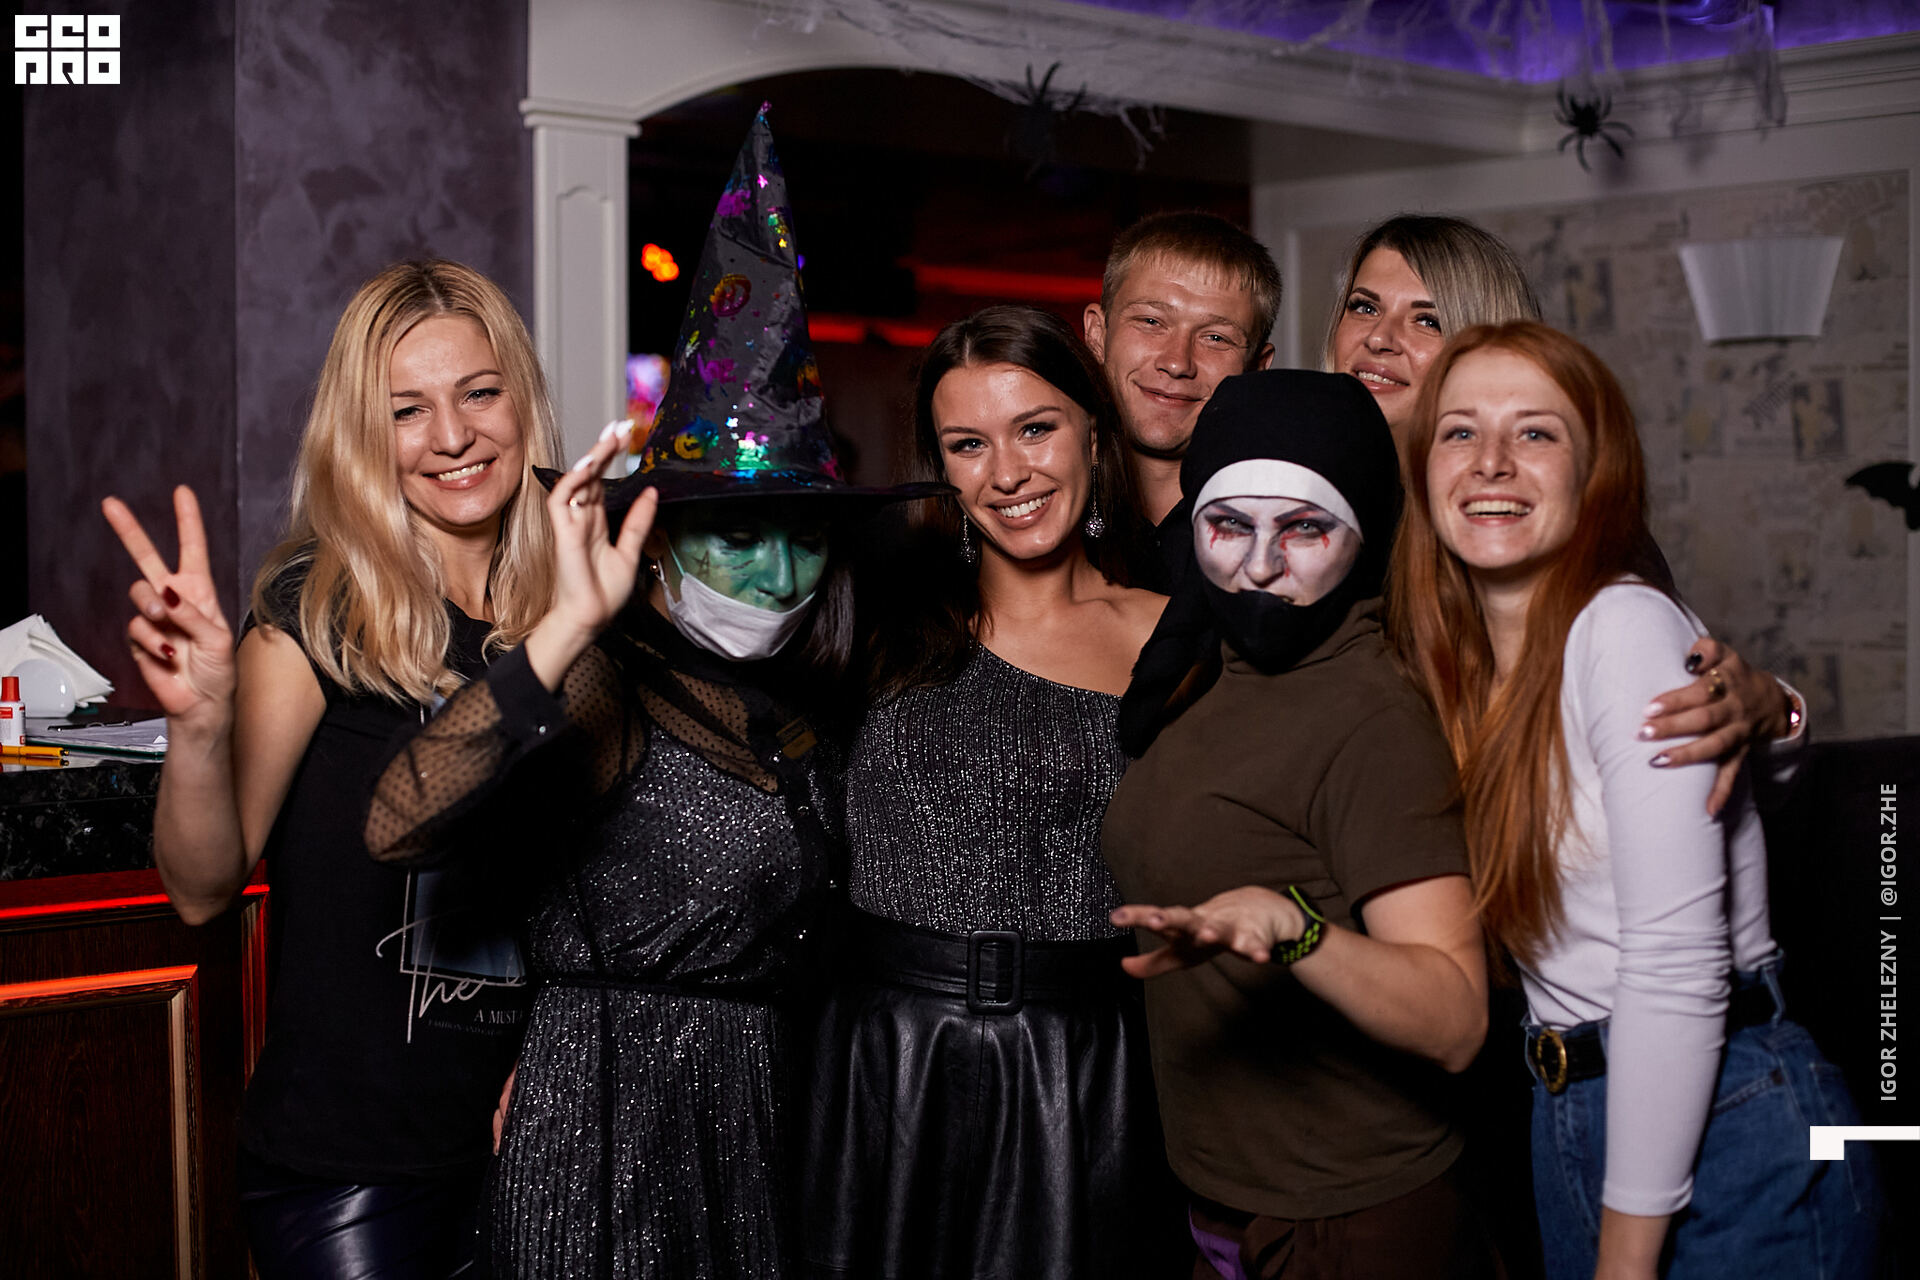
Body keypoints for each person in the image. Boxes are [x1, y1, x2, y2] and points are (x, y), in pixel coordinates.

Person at [361, 107, 939, 1280]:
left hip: (762, 1124)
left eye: (802, 541)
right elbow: (398, 822)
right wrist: (567, 626)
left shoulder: (810, 708)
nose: (775, 575)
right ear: (660, 540)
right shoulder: (608, 684)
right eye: (738, 539)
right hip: (604, 1132)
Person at [1389, 320, 1880, 1279]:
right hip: (1577, 1103)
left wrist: (1624, 1261)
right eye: (1460, 431)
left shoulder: (1620, 626)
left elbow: (1675, 964)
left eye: (1536, 432)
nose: (1491, 461)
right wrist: (1780, 717)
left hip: (1727, 1117)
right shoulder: (1466, 668)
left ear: (1595, 474)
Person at [102, 258, 554, 1277]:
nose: (452, 436)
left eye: (479, 393)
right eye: (406, 411)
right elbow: (202, 886)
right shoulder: (319, 610)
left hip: (538, 1141)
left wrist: (559, 1051)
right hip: (355, 1172)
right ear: (361, 433)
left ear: (522, 398)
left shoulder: (577, 609)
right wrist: (199, 727)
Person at [802, 304, 1185, 1278]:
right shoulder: (874, 617)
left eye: (1036, 428)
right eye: (968, 444)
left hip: (1083, 1066)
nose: (1007, 473)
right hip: (886, 1062)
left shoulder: (1172, 634)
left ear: (1093, 430)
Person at [1104, 369, 1500, 1280]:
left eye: (1305, 528)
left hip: (1352, 1224)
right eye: (1228, 524)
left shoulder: (1371, 715)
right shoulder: (1203, 674)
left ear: (1364, 535)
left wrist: (1299, 931)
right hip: (1230, 1212)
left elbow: (1456, 1019)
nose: (1259, 566)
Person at [1324, 212, 1802, 810]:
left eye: (1428, 319)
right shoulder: (1305, 507)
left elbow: (1677, 710)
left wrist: (1778, 710)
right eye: (1364, 306)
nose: (1379, 338)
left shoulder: (1540, 520)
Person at [1083, 210, 1281, 528]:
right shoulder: (1041, 509)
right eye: (1151, 322)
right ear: (1097, 335)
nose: (1177, 363)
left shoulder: (1281, 523)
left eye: (1215, 338)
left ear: (1257, 369)